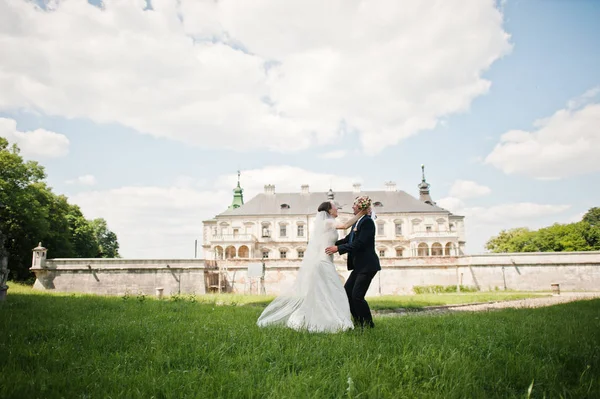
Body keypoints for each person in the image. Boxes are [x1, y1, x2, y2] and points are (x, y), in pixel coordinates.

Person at [257, 201, 367, 333]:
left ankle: (328, 318)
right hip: (322, 262)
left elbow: (336, 239)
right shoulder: (327, 222)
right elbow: (344, 225)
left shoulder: (328, 223)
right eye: (335, 207)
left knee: (327, 292)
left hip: (326, 261)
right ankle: (330, 320)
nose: (337, 208)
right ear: (329, 210)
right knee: (334, 291)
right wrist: (362, 213)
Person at [325, 196, 381, 329]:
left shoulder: (367, 222)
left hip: (367, 265)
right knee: (348, 294)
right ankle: (358, 323)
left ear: (360, 207)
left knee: (357, 296)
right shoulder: (357, 222)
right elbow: (348, 239)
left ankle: (368, 325)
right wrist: (331, 244)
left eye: (354, 205)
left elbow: (360, 243)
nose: (352, 207)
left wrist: (338, 249)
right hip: (359, 266)